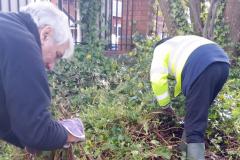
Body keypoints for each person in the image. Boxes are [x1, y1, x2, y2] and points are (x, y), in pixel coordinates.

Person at [0, 1, 85, 152]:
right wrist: (69, 134)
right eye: (57, 55)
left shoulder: (7, 28)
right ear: (46, 35)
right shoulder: (23, 44)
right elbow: (36, 132)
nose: (51, 66)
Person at [150, 35, 229, 159]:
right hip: (223, 63)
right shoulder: (181, 42)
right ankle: (183, 151)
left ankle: (193, 156)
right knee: (195, 115)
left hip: (201, 65)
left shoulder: (160, 48)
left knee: (195, 125)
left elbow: (157, 80)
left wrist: (165, 105)